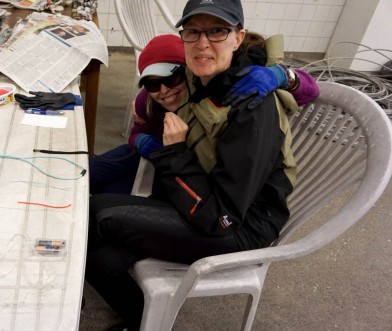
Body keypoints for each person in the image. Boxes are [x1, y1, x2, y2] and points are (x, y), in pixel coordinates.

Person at [85, 0, 303, 330]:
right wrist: (144, 117)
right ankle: (143, 318)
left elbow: (222, 217)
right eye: (193, 31)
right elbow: (159, 86)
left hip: (239, 226)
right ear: (183, 37)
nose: (202, 43)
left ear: (238, 37)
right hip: (202, 195)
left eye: (217, 31)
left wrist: (172, 154)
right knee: (100, 252)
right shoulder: (195, 78)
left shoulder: (250, 106)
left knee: (99, 216)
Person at [89, 33, 319, 195]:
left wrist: (281, 75)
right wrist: (140, 141)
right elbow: (137, 131)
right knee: (90, 174)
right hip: (157, 158)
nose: (164, 91)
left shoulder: (213, 94)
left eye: (171, 78)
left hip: (189, 174)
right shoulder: (148, 99)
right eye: (152, 83)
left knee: (106, 198)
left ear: (189, 73)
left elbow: (311, 91)